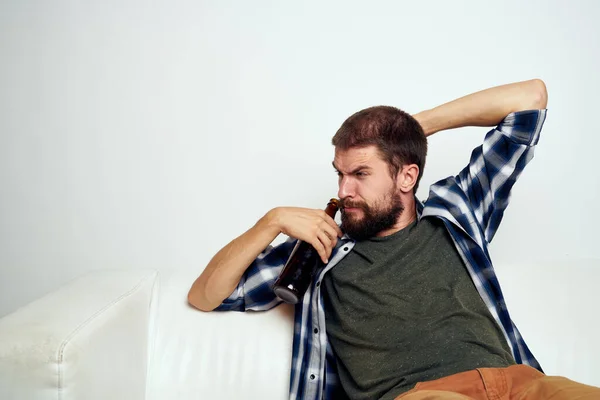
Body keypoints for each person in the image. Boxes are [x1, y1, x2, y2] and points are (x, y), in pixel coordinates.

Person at [188, 79, 600, 399]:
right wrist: (270, 222)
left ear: (408, 175)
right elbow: (206, 295)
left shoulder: (458, 209)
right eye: (340, 173)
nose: (344, 189)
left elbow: (531, 97)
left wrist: (412, 130)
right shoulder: (320, 249)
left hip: (520, 385)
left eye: (361, 174)